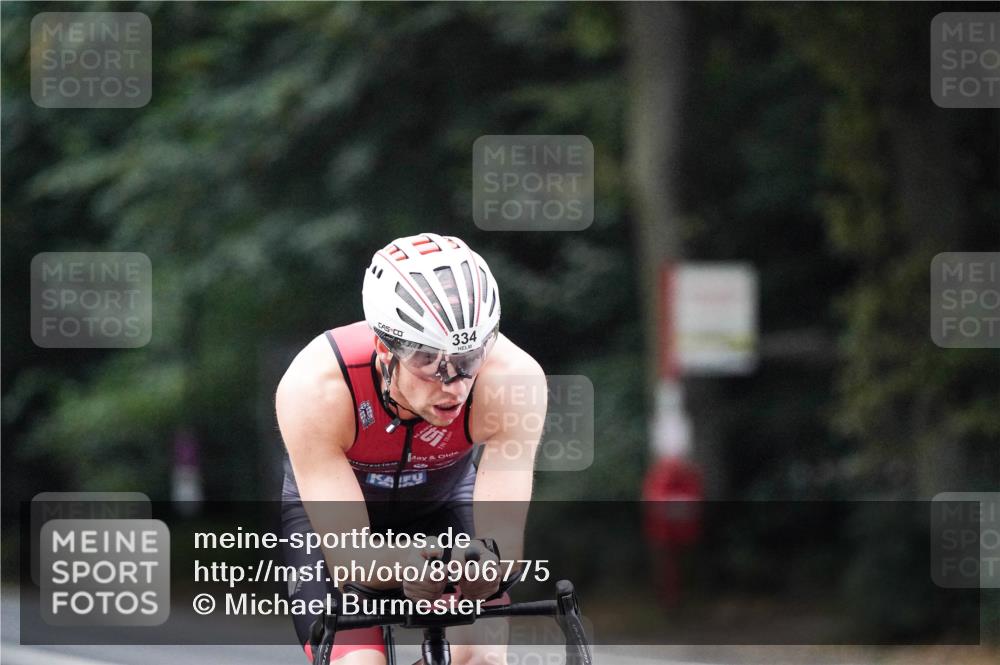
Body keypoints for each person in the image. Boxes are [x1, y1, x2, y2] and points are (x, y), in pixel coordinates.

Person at [276, 233, 547, 665]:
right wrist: (403, 565)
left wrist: (488, 567)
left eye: (469, 358)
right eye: (428, 360)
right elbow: (351, 560)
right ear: (385, 350)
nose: (454, 385)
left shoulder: (513, 380)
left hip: (442, 504)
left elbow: (504, 542)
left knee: (483, 659)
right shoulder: (316, 386)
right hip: (334, 527)